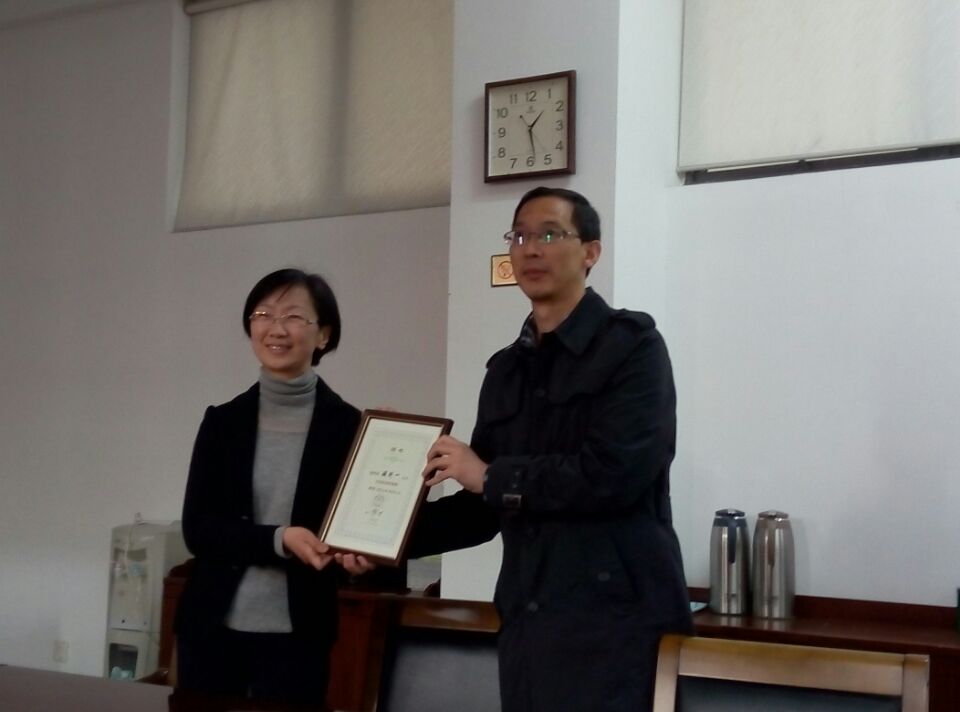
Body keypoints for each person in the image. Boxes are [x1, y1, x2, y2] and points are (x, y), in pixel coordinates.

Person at [412, 187, 693, 712]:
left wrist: (490, 477)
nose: (531, 249)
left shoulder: (633, 347)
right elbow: (481, 509)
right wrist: (384, 541)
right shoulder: (506, 370)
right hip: (528, 623)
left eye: (549, 234)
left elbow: (613, 475)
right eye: (519, 236)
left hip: (616, 627)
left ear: (591, 252)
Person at [174, 268, 371, 706]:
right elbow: (199, 530)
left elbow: (355, 528)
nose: (276, 329)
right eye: (263, 315)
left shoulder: (351, 428)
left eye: (294, 316)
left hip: (298, 635)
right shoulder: (223, 422)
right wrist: (280, 539)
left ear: (323, 335)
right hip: (211, 630)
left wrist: (359, 558)